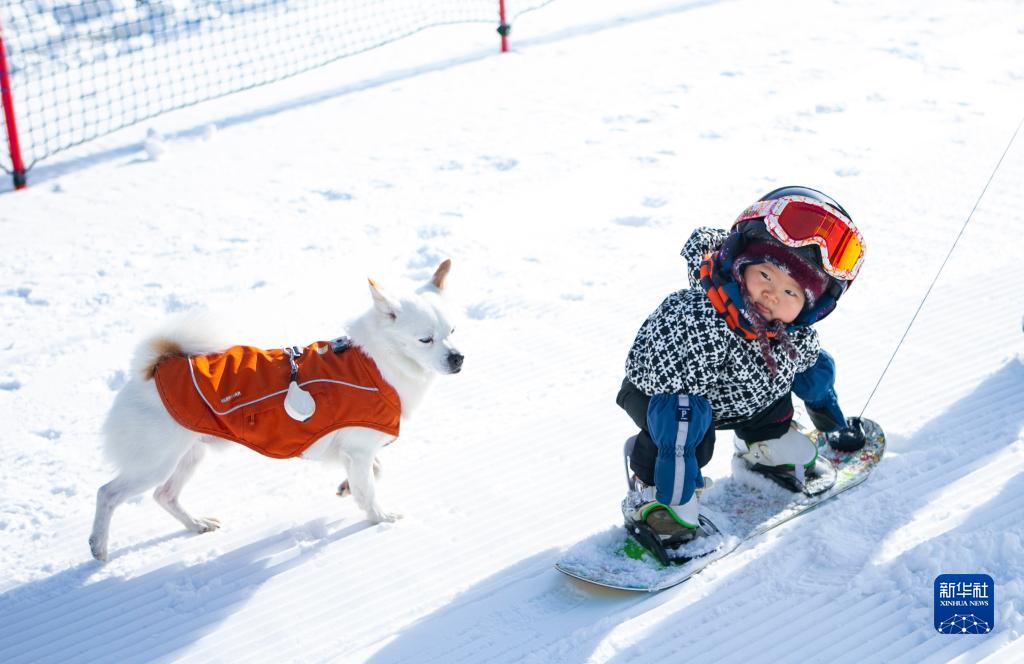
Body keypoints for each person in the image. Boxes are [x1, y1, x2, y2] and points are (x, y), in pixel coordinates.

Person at [616, 186, 866, 552]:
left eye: (791, 293)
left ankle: (763, 448)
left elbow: (816, 379)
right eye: (766, 275)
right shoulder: (698, 320)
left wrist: (835, 430)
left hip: (738, 399)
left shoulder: (789, 334)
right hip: (664, 401)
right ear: (740, 263)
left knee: (777, 402)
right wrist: (676, 493)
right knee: (693, 437)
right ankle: (654, 496)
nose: (772, 295)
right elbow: (678, 418)